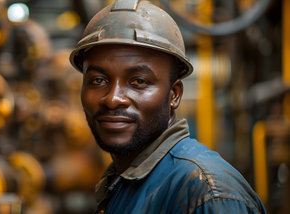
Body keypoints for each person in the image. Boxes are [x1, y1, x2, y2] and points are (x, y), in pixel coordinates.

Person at [69, 0, 266, 213]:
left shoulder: (207, 195)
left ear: (174, 94)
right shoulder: (122, 182)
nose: (113, 98)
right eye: (98, 80)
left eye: (138, 82)